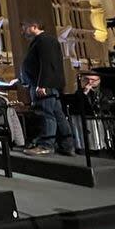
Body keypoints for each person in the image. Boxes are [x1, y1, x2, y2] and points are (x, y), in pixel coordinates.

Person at [19, 19, 74, 156]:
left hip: (44, 85)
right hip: (43, 84)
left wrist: (43, 84)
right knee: (57, 115)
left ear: (34, 26)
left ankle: (46, 145)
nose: (22, 31)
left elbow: (47, 63)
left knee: (45, 114)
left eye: (24, 27)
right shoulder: (42, 41)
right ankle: (66, 146)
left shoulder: (44, 40)